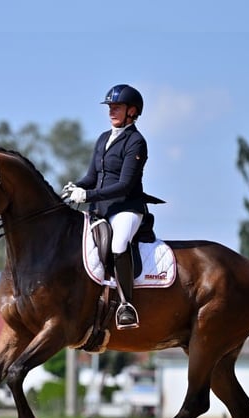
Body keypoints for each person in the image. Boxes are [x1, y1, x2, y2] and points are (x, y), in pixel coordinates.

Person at [63, 83, 161, 330]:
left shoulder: (136, 142)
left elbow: (125, 185)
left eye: (116, 107)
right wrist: (75, 186)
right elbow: (91, 177)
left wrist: (88, 195)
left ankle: (126, 304)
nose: (111, 111)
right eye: (110, 107)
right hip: (101, 209)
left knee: (118, 244)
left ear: (132, 111)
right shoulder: (103, 138)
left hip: (127, 208)